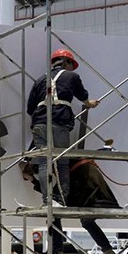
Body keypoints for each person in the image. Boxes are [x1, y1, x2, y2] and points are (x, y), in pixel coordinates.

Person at [26, 49, 100, 206]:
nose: (72, 68)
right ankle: (61, 199)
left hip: (39, 122)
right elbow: (82, 95)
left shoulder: (39, 80)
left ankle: (47, 201)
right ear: (65, 62)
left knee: (45, 162)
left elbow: (30, 108)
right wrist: (89, 104)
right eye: (71, 64)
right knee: (61, 161)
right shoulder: (71, 76)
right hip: (59, 120)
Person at [20, 159, 119, 254]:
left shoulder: (66, 169)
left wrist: (32, 179)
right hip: (102, 200)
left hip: (86, 197)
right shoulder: (77, 164)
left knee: (54, 214)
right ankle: (108, 251)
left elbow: (57, 194)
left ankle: (57, 253)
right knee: (87, 222)